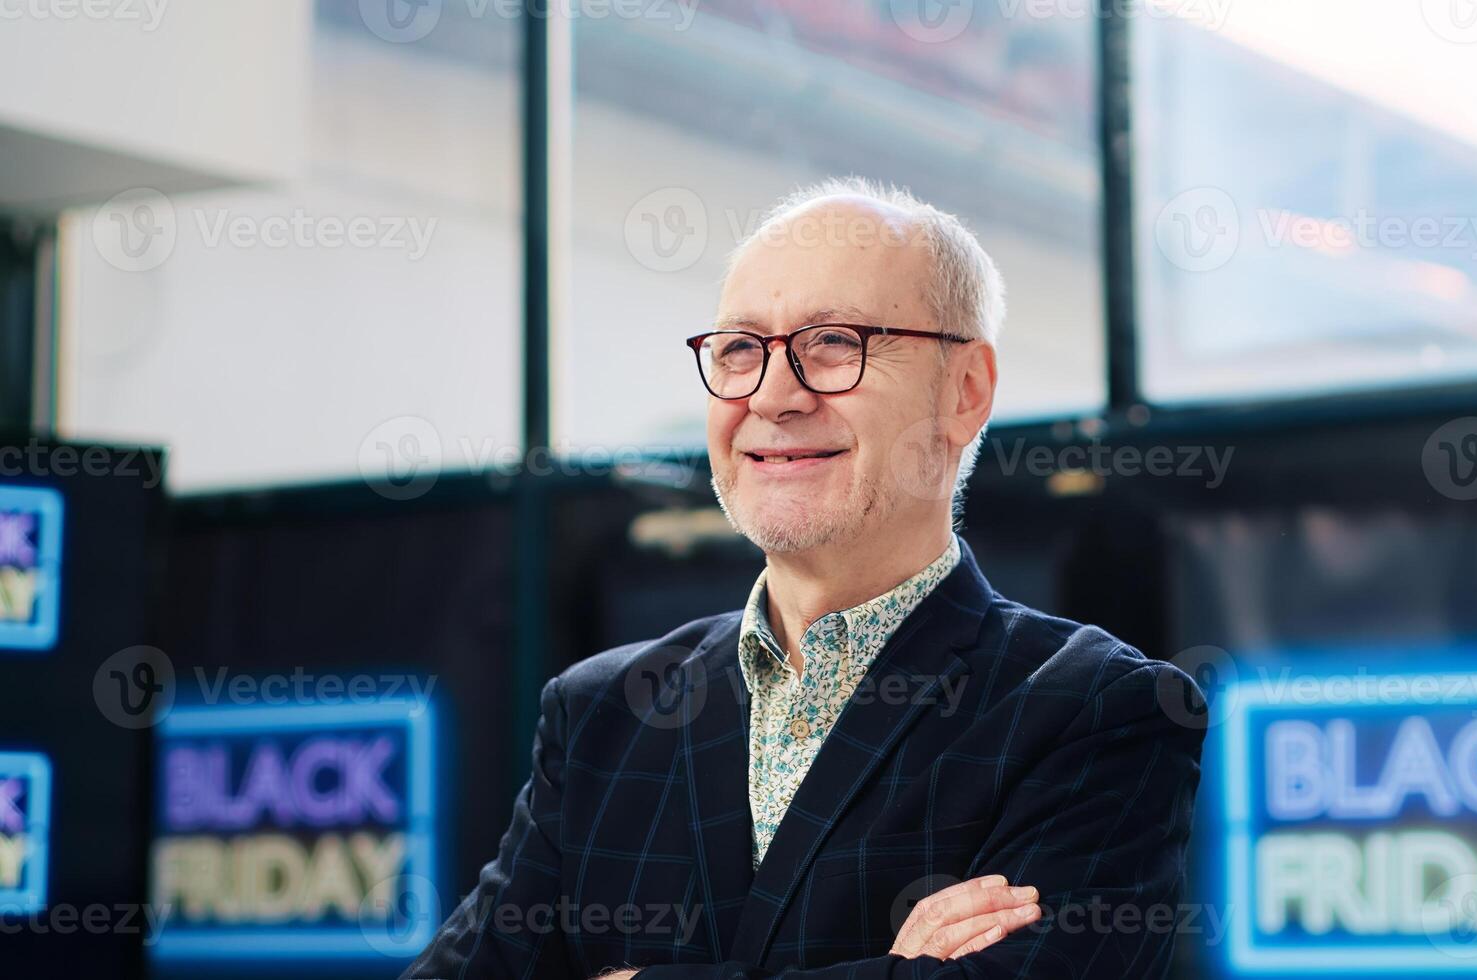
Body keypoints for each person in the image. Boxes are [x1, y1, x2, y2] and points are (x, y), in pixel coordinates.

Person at [405, 177, 1204, 979]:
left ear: (965, 392)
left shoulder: (1095, 711)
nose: (774, 396)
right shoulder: (601, 713)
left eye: (833, 342)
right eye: (741, 349)